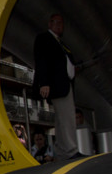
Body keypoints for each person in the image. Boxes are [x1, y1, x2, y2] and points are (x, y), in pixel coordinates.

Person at [33, 13, 80, 160]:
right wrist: (44, 83)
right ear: (50, 24)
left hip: (65, 83)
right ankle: (71, 150)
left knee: (61, 119)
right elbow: (41, 61)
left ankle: (62, 151)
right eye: (56, 22)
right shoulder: (44, 38)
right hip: (56, 85)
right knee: (67, 117)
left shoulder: (62, 43)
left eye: (62, 23)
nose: (60, 26)